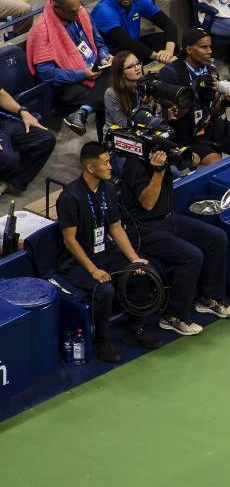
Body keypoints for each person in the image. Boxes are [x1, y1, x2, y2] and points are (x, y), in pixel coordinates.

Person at [120, 107, 230, 336]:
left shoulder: (161, 153)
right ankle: (173, 316)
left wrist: (186, 155)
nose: (163, 138)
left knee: (217, 238)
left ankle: (208, 299)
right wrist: (158, 172)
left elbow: (190, 162)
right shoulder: (134, 164)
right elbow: (147, 203)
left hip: (169, 220)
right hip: (143, 230)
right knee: (192, 256)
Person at [56, 142, 162, 363]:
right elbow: (69, 240)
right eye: (105, 163)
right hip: (77, 262)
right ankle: (101, 341)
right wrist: (93, 270)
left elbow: (115, 227)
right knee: (104, 290)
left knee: (142, 272)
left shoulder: (109, 188)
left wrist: (134, 259)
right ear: (90, 168)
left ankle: (135, 329)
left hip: (105, 251)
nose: (110, 166)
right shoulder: (70, 197)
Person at [157, 28, 230, 165]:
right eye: (204, 47)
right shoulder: (170, 73)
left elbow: (212, 111)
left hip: (209, 124)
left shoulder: (210, 70)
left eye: (210, 46)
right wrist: (194, 90)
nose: (210, 51)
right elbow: (171, 115)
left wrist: (225, 103)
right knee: (218, 165)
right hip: (186, 133)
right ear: (189, 50)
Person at [25, 0, 111, 136]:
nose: (78, 14)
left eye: (79, 8)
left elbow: (98, 42)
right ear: (57, 8)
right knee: (110, 98)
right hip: (68, 85)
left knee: (125, 69)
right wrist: (83, 74)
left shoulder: (80, 12)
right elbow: (47, 74)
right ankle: (106, 149)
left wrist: (104, 56)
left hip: (95, 69)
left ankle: (82, 113)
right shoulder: (42, 31)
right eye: (72, 11)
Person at [90, 0, 178, 68]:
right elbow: (124, 41)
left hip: (133, 44)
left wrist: (168, 52)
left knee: (169, 41)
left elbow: (168, 24)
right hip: (112, 53)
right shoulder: (104, 10)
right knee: (132, 59)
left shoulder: (140, 0)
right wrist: (158, 57)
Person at [0, 88, 56, 195]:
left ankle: (10, 181)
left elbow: (1, 94)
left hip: (4, 124)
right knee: (9, 159)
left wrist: (23, 111)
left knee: (46, 139)